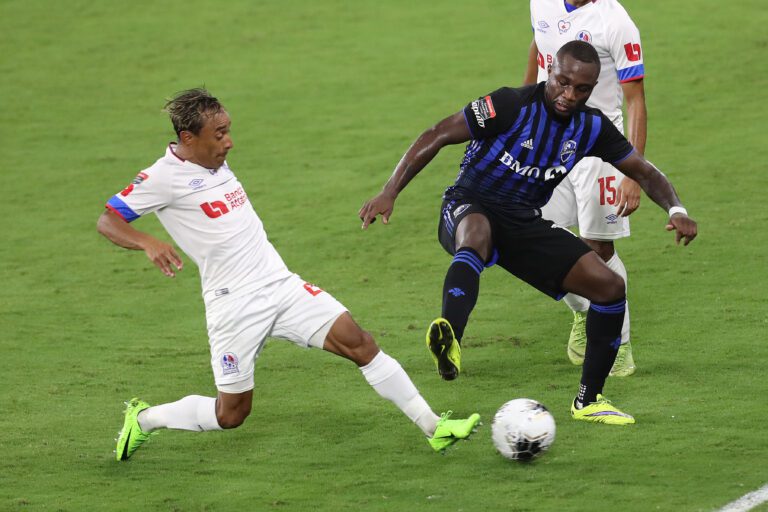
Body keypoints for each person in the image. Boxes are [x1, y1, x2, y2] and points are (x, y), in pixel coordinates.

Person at [98, 89, 480, 461]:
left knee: (360, 342)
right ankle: (145, 418)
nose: (229, 142)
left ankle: (434, 427)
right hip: (234, 304)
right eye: (219, 134)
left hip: (281, 285)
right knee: (230, 414)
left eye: (228, 130)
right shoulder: (162, 177)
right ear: (187, 138)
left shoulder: (213, 160)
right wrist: (147, 242)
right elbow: (108, 219)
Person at [359, 41, 696, 425]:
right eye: (563, 82)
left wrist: (677, 209)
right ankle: (450, 336)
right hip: (470, 201)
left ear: (592, 88)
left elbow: (645, 172)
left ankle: (589, 400)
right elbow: (438, 133)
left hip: (522, 222)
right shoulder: (509, 104)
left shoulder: (591, 127)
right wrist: (390, 190)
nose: (569, 95)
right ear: (549, 69)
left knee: (609, 287)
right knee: (476, 236)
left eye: (581, 89)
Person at [524, 0, 648, 376]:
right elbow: (540, 42)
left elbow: (635, 100)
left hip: (599, 146)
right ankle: (583, 310)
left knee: (598, 247)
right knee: (532, 236)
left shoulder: (615, 22)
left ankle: (617, 344)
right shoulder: (540, 3)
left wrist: (634, 173)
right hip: (549, 143)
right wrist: (525, 108)